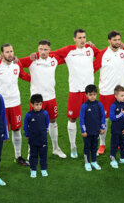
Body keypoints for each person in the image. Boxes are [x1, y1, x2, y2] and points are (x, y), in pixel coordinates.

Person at [45, 29, 100, 158]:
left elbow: (103, 55)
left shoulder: (91, 49)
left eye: (84, 37)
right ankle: (73, 146)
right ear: (74, 39)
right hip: (75, 91)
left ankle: (93, 147)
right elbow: (50, 54)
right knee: (73, 118)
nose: (82, 40)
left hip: (89, 92)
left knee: (92, 119)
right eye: (80, 38)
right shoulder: (69, 51)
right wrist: (36, 55)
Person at [0, 43, 31, 166]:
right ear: (1, 54)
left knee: (16, 129)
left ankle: (18, 156)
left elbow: (23, 75)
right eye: (7, 52)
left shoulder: (17, 64)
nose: (10, 54)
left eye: (11, 51)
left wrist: (37, 79)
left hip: (15, 102)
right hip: (0, 105)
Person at [20, 39, 67, 158]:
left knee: (53, 121)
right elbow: (15, 63)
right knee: (34, 124)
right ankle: (31, 151)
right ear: (38, 49)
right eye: (40, 49)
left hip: (51, 97)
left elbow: (67, 54)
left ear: (50, 50)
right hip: (37, 99)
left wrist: (87, 45)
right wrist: (28, 78)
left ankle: (56, 148)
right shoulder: (32, 60)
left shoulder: (54, 59)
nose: (43, 52)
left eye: (45, 49)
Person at [94, 31, 124, 154]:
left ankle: (120, 143)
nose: (117, 42)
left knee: (120, 119)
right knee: (104, 119)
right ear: (109, 40)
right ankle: (102, 144)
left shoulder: (123, 52)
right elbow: (93, 69)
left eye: (119, 39)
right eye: (114, 40)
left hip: (120, 93)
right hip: (106, 92)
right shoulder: (102, 54)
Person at [79, 84, 106, 171]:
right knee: (87, 147)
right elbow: (81, 119)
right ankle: (87, 162)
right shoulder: (84, 106)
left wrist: (102, 127)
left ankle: (94, 161)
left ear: (96, 94)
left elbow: (103, 117)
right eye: (90, 95)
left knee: (94, 147)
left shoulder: (99, 105)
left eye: (94, 94)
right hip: (87, 132)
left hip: (96, 131)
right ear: (86, 95)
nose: (92, 96)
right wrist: (83, 130)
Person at [24, 94, 49, 178]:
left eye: (40, 104)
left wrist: (45, 131)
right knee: (33, 155)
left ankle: (43, 169)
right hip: (33, 139)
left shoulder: (45, 113)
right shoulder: (29, 115)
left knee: (43, 155)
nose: (38, 107)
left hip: (43, 139)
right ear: (32, 105)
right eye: (36, 105)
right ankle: (33, 169)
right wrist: (27, 134)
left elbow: (47, 123)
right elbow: (25, 126)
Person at [108, 85, 124, 168]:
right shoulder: (113, 106)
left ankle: (122, 158)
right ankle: (113, 159)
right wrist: (121, 114)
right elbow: (112, 118)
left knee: (123, 144)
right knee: (114, 145)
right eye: (122, 96)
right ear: (116, 96)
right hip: (115, 130)